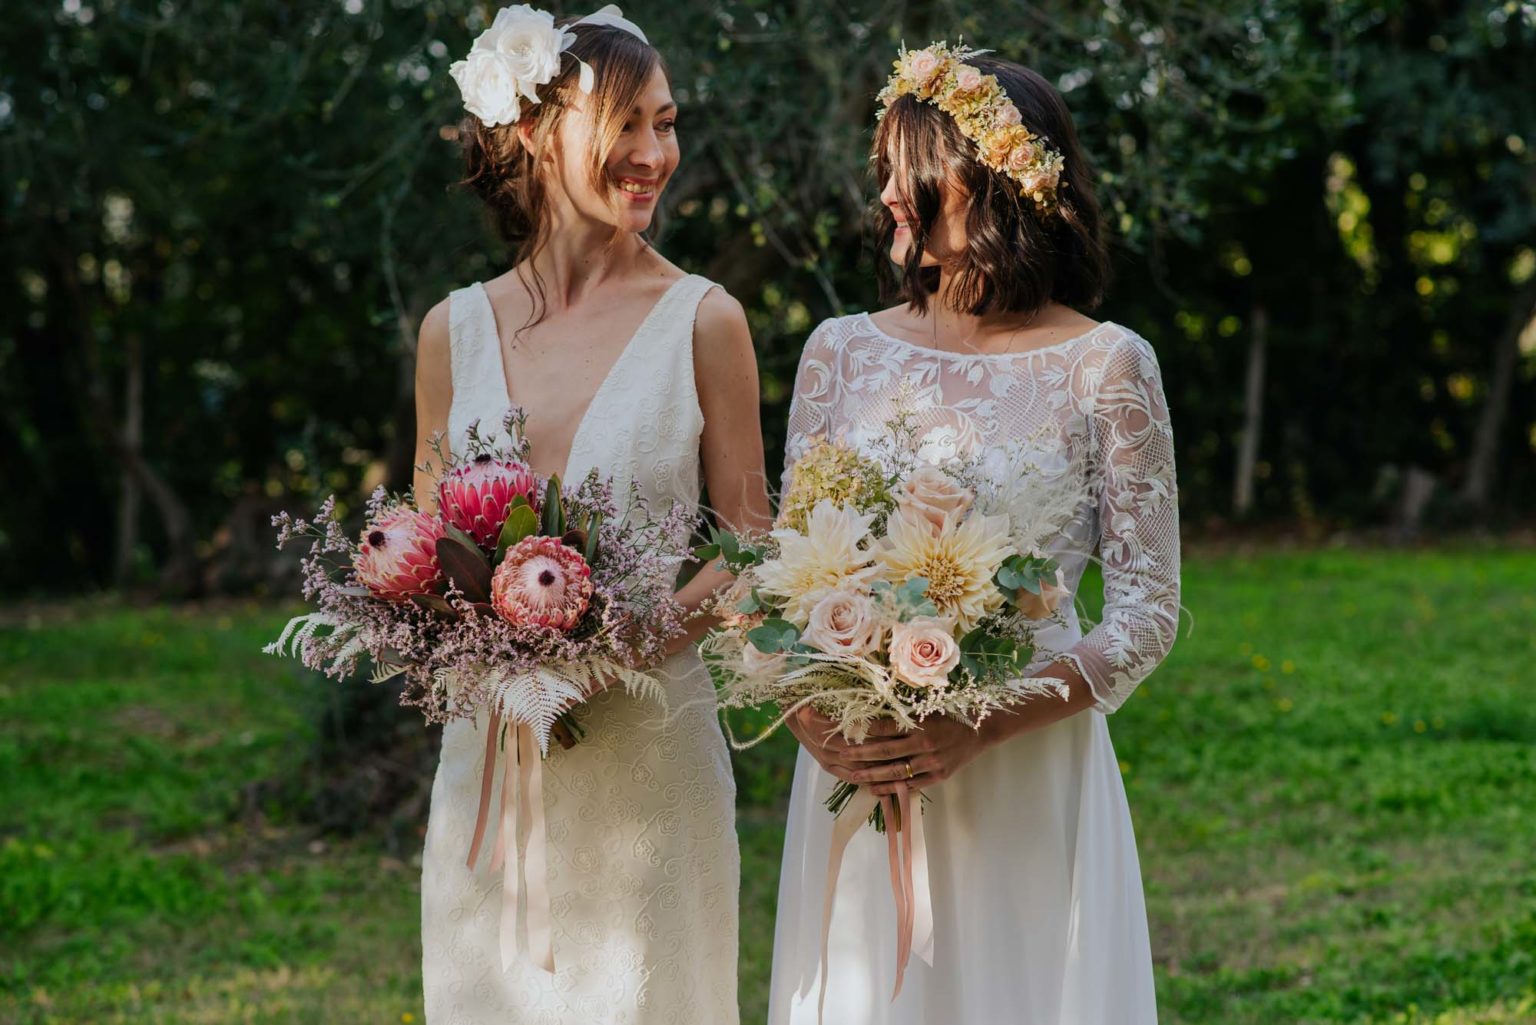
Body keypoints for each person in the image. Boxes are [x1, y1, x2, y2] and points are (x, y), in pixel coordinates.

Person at [768, 43, 1180, 1025]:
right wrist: (811, 718)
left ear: (994, 179)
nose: (888, 194)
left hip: (1025, 766)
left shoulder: (1107, 366)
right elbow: (776, 579)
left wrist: (983, 720)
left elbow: (1147, 614)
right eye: (883, 171)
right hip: (859, 764)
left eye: (909, 169)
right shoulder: (837, 352)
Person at [411, 7, 770, 1022]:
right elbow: (422, 539)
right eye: (627, 125)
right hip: (492, 765)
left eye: (668, 122)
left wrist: (619, 650)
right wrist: (453, 637)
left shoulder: (704, 319)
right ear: (535, 130)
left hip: (649, 756)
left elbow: (751, 540)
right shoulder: (453, 330)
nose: (656, 154)